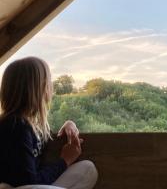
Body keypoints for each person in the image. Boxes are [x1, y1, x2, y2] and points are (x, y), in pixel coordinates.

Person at [0, 57, 98, 189]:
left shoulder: (34, 125)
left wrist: (69, 124)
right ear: (38, 86)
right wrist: (65, 161)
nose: (52, 86)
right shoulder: (14, 126)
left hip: (33, 185)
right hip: (16, 187)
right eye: (49, 80)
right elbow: (28, 182)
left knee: (88, 169)